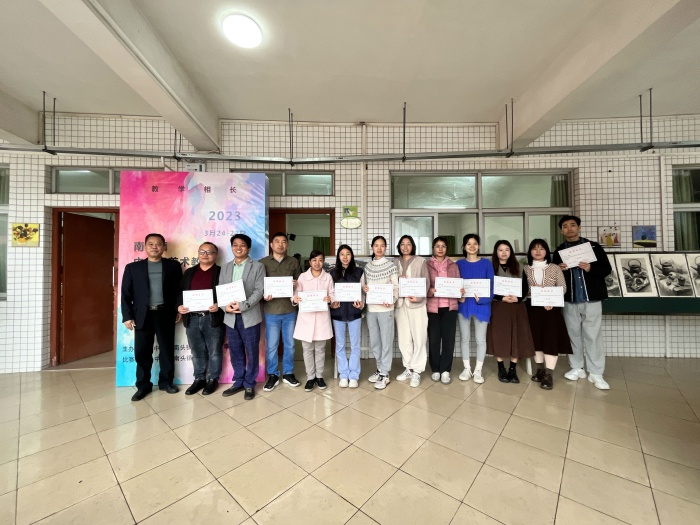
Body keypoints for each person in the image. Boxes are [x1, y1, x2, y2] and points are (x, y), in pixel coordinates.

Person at [552, 215, 612, 390]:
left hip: (591, 298)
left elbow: (606, 269)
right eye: (565, 226)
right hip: (569, 299)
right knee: (573, 334)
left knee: (593, 335)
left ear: (579, 227)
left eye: (572, 225)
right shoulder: (559, 251)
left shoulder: (593, 247)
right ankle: (577, 367)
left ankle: (596, 372)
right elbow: (553, 275)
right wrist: (559, 269)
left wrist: (590, 268)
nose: (569, 228)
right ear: (561, 230)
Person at [121, 233, 183, 401]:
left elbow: (179, 290)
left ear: (163, 247)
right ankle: (143, 386)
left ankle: (166, 382)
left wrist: (178, 308)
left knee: (166, 350)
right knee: (142, 352)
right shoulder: (133, 268)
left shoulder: (173, 266)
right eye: (151, 244)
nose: (155, 247)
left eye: (158, 244)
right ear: (145, 246)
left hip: (165, 313)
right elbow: (126, 294)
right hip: (142, 315)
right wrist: (127, 316)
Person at [219, 234, 265, 400]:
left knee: (252, 351)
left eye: (243, 245)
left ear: (249, 248)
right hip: (230, 316)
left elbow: (259, 290)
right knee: (235, 350)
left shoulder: (258, 266)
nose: (239, 248)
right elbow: (221, 289)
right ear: (232, 247)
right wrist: (225, 307)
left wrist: (243, 305)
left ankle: (250, 383)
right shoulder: (225, 267)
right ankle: (239, 380)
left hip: (249, 315)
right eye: (235, 245)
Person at [178, 242, 225, 396]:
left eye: (209, 252)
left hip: (212, 317)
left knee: (214, 351)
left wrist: (220, 305)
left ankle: (213, 379)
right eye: (202, 251)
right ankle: (199, 379)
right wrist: (179, 306)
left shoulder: (222, 272)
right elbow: (180, 292)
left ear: (216, 255)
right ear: (198, 254)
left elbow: (228, 294)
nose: (205, 255)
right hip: (191, 318)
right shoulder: (189, 272)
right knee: (196, 351)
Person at [524, 239, 572, 390]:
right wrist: (535, 289)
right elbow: (523, 289)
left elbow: (563, 287)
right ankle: (540, 370)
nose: (538, 251)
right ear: (530, 252)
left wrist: (551, 299)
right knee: (536, 340)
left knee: (550, 340)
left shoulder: (555, 268)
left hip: (551, 309)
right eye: (534, 248)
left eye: (541, 248)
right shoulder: (525, 269)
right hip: (532, 309)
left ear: (546, 251)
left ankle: (549, 374)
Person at [486, 240, 534, 384]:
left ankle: (513, 369)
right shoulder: (491, 267)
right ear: (496, 252)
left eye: (507, 249)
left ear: (511, 252)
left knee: (516, 335)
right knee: (499, 336)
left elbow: (525, 286)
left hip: (517, 306)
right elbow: (487, 287)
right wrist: (501, 297)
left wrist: (517, 298)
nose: (504, 252)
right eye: (500, 250)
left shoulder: (520, 267)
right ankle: (501, 367)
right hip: (499, 306)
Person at [259, 232, 302, 391]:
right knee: (272, 345)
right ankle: (273, 374)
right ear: (271, 245)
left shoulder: (293, 262)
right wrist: (264, 294)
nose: (280, 244)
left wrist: (296, 284)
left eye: (284, 241)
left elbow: (300, 284)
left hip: (290, 309)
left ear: (287, 245)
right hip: (271, 310)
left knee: (290, 344)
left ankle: (288, 373)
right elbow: (259, 286)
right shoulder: (262, 263)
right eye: (277, 241)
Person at [293, 250, 335, 391]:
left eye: (320, 260)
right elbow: (296, 293)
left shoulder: (327, 277)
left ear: (323, 262)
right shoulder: (303, 277)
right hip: (306, 318)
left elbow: (333, 293)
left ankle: (319, 376)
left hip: (321, 318)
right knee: (307, 349)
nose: (317, 263)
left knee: (320, 349)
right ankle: (310, 377)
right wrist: (295, 298)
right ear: (310, 262)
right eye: (314, 260)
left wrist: (330, 299)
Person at [361, 235, 399, 389]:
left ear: (385, 247)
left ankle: (385, 373)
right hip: (372, 309)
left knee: (386, 342)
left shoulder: (391, 266)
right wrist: (365, 289)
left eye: (382, 245)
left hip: (386, 309)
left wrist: (392, 299)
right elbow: (365, 286)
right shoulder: (368, 267)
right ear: (372, 247)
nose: (379, 248)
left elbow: (396, 287)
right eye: (376, 245)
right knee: (375, 341)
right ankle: (379, 368)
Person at [456, 234, 493, 384]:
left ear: (479, 246)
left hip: (482, 306)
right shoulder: (459, 264)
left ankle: (478, 370)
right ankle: (466, 368)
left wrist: (483, 299)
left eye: (475, 243)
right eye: (468, 244)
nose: (472, 246)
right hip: (464, 305)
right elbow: (455, 285)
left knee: (480, 339)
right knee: (464, 338)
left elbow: (492, 286)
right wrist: (458, 296)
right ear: (464, 247)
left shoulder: (486, 263)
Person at [394, 235, 429, 388]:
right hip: (400, 305)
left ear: (413, 246)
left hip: (417, 305)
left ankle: (417, 371)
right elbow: (391, 283)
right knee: (404, 338)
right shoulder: (395, 262)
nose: (405, 247)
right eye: (402, 244)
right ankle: (408, 368)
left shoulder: (421, 261)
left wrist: (419, 297)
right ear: (399, 246)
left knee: (419, 337)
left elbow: (426, 282)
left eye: (408, 244)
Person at [426, 236, 462, 384]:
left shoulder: (453, 265)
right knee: (434, 339)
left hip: (450, 307)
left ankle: (445, 370)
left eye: (443, 246)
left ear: (447, 249)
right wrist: (429, 290)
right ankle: (435, 369)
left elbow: (458, 283)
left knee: (448, 339)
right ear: (433, 248)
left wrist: (460, 291)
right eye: (437, 246)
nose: (440, 249)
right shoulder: (426, 265)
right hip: (432, 308)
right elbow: (423, 285)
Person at [330, 244, 364, 388]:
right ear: (338, 256)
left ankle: (354, 375)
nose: (345, 257)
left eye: (348, 254)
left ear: (352, 256)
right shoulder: (332, 273)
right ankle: (343, 375)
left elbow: (363, 291)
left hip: (354, 313)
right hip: (338, 314)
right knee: (340, 345)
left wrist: (361, 303)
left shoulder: (359, 272)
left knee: (355, 346)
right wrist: (332, 303)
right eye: (342, 254)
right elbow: (330, 293)